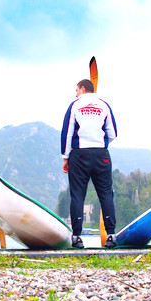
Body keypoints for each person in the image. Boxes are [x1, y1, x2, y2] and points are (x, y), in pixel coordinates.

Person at [60, 79, 118, 249]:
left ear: (83, 89)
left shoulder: (75, 106)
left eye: (76, 90)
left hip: (79, 154)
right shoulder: (104, 105)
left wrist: (65, 157)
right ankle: (112, 235)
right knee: (106, 194)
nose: (75, 93)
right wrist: (101, 143)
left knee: (78, 195)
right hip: (101, 154)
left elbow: (67, 133)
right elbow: (113, 133)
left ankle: (77, 237)